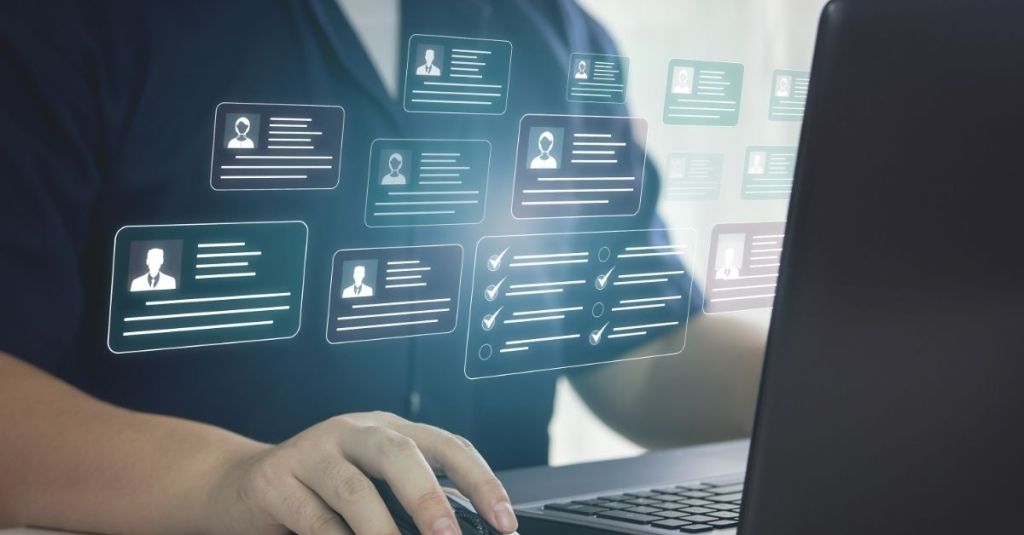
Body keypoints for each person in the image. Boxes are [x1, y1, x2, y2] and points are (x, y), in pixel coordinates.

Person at [0, 2, 765, 534]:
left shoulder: (556, 33)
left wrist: (831, 379)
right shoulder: (67, 20)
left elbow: (633, 350)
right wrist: (236, 479)